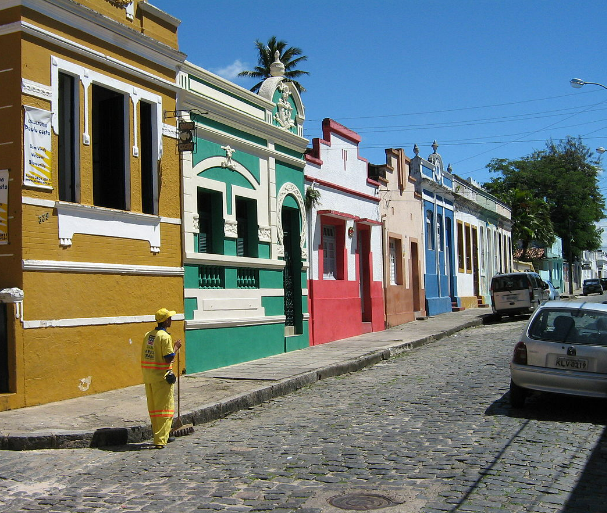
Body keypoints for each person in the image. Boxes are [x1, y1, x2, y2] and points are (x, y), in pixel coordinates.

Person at [141, 307, 182, 449]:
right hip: (162, 377)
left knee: (154, 409)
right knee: (165, 410)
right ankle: (161, 439)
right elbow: (168, 358)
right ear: (165, 321)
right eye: (169, 318)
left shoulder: (149, 335)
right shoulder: (165, 337)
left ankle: (159, 434)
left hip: (149, 377)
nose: (171, 320)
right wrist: (176, 347)